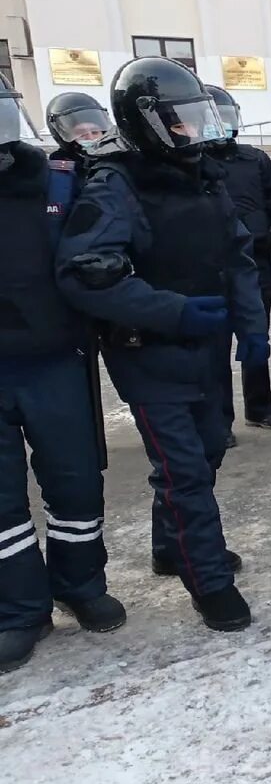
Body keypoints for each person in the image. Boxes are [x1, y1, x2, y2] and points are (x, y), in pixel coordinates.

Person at [55, 57, 266, 632]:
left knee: (211, 444)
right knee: (183, 470)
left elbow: (238, 254)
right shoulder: (115, 183)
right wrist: (171, 311)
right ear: (146, 122)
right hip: (147, 347)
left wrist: (252, 327)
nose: (192, 132)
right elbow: (87, 273)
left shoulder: (202, 174)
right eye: (180, 122)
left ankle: (170, 547)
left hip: (206, 342)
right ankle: (210, 584)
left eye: (196, 119)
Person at [1, 80, 124, 673]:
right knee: (0, 503)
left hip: (56, 361)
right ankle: (20, 609)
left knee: (74, 483)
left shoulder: (56, 180)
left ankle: (80, 584)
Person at [206, 86, 271, 444]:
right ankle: (219, 419)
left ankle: (259, 407)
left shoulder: (253, 159)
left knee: (255, 337)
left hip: (256, 265)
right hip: (210, 268)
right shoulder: (193, 164)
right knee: (214, 343)